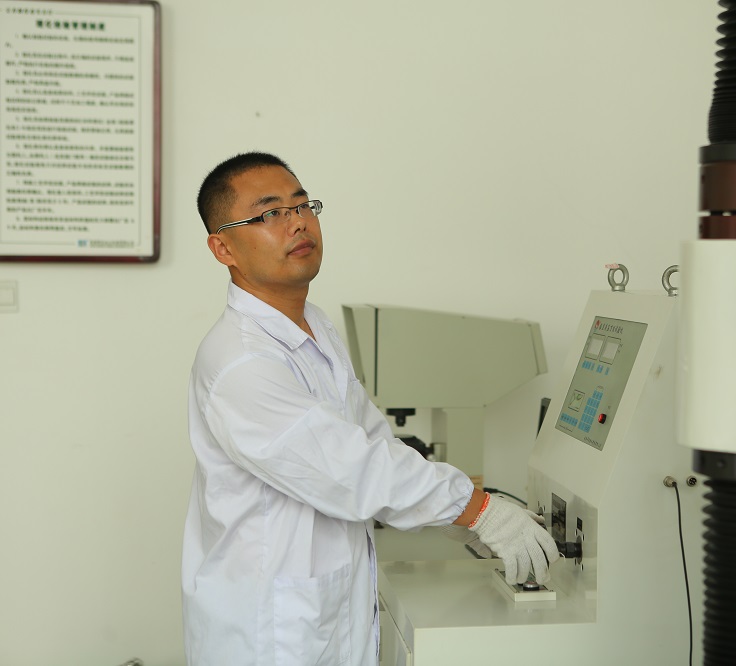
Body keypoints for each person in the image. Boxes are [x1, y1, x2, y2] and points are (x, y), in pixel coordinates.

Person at [182, 151, 559, 666]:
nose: (297, 222)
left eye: (303, 205)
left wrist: (459, 517)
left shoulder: (313, 326)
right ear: (222, 247)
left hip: (321, 617)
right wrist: (480, 512)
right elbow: (350, 469)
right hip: (272, 637)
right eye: (270, 213)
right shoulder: (241, 361)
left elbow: (373, 441)